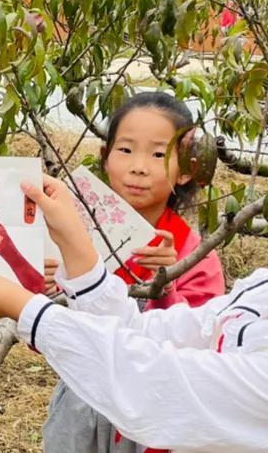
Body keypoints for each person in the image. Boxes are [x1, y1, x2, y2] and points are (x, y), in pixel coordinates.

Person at [0, 175, 268, 453]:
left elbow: (159, 383)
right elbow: (147, 333)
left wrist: (20, 306)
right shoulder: (261, 287)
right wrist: (76, 245)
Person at [42, 92, 224, 452]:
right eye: (125, 150)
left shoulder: (193, 254)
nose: (138, 167)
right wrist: (49, 293)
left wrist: (166, 283)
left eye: (158, 154)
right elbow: (49, 336)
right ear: (105, 157)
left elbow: (201, 341)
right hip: (82, 402)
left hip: (155, 411)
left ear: (185, 169)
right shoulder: (73, 234)